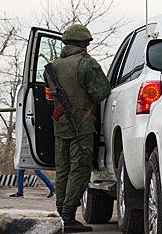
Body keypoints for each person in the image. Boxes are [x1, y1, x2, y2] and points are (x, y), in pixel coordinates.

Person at [44, 24, 111, 233]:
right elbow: (102, 92)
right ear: (84, 43)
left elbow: (49, 99)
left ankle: (61, 213)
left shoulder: (53, 65)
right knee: (80, 169)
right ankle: (69, 216)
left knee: (62, 169)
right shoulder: (86, 64)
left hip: (60, 125)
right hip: (81, 126)